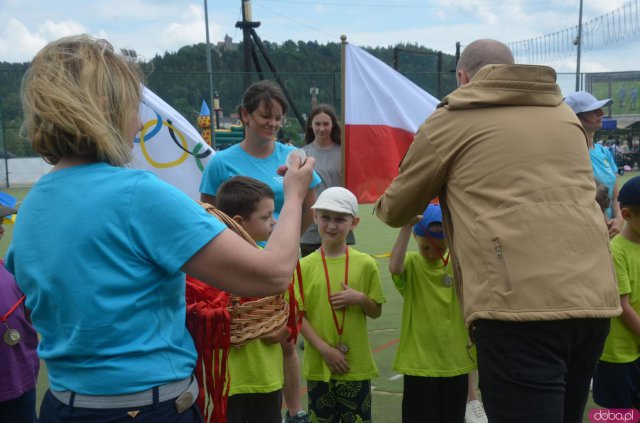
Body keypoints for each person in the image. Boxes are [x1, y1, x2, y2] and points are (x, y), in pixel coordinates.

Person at [7, 34, 315, 423]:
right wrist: (295, 193)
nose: (139, 122)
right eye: (133, 106)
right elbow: (272, 273)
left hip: (63, 405)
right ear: (104, 108)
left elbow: (41, 305)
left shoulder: (34, 203)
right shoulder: (137, 194)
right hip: (147, 408)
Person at [374, 38, 620, 423]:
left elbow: (394, 209)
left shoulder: (451, 119)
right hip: (593, 300)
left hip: (516, 310)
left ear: (462, 77)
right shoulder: (563, 116)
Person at [199, 80, 321, 423]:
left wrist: (285, 242)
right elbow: (207, 216)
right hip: (237, 265)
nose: (273, 123)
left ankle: (294, 411)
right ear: (245, 116)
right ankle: (232, 402)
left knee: (284, 339)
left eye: (278, 117)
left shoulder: (292, 157)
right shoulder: (220, 163)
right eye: (266, 115)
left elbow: (309, 204)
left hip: (281, 263)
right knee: (243, 336)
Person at [297, 187, 385, 423]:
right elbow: (298, 316)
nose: (332, 225)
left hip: (355, 367)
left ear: (354, 222)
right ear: (315, 217)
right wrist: (325, 350)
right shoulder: (303, 266)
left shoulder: (365, 264)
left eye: (340, 219)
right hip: (319, 366)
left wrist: (360, 299)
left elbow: (375, 311)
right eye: (325, 217)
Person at [215, 176, 294, 423]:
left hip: (266, 378)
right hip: (227, 382)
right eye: (266, 216)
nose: (274, 221)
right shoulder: (209, 265)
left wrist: (285, 332)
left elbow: (289, 315)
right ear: (239, 222)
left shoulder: (273, 265)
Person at [388, 203, 476, 423]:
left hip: (454, 362)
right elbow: (394, 267)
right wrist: (406, 228)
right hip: (419, 363)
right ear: (417, 240)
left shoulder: (457, 265)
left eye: (440, 246)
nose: (431, 253)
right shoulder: (412, 263)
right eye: (426, 247)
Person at [592, 176, 640, 410]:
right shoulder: (616, 251)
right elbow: (623, 306)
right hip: (618, 352)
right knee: (620, 412)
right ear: (628, 215)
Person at [564, 91, 625, 238]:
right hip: (583, 231)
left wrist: (618, 220)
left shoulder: (605, 152)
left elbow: (616, 195)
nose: (601, 113)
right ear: (575, 117)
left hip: (610, 230)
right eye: (593, 111)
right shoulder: (567, 154)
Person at [0, 205, 39, 423]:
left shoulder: (13, 272)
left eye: (2, 222)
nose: (2, 229)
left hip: (20, 386)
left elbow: (33, 317)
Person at [300, 104, 355, 257]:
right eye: (318, 124)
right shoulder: (302, 154)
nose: (322, 128)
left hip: (339, 221)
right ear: (311, 125)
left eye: (326, 124)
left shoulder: (345, 152)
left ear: (333, 125)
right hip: (312, 225)